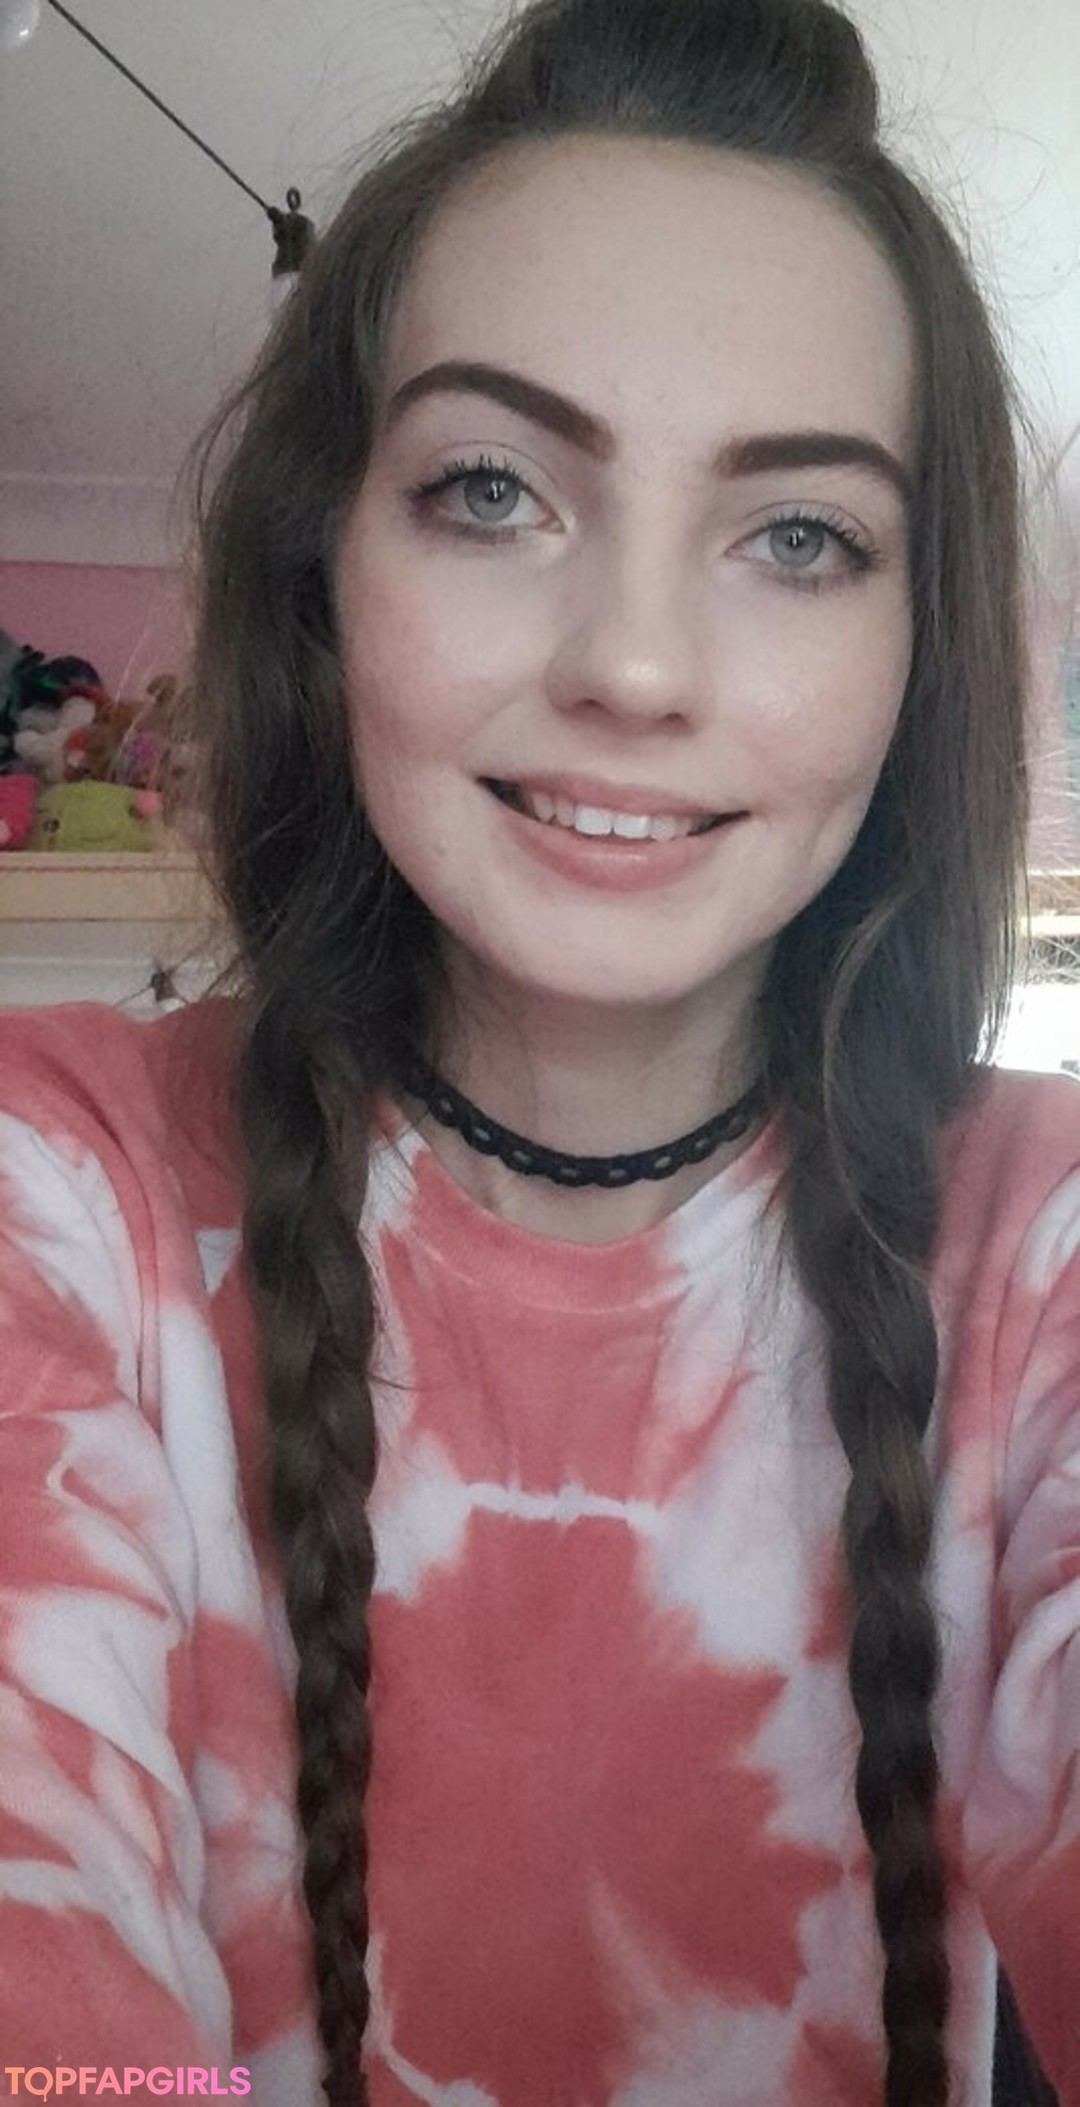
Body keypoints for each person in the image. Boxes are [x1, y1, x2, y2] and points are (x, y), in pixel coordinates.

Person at [0, 0, 1076, 2102]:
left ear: (915, 649)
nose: (638, 668)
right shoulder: (59, 1190)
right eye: (491, 489)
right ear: (327, 574)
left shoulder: (1043, 1248)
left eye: (800, 535)